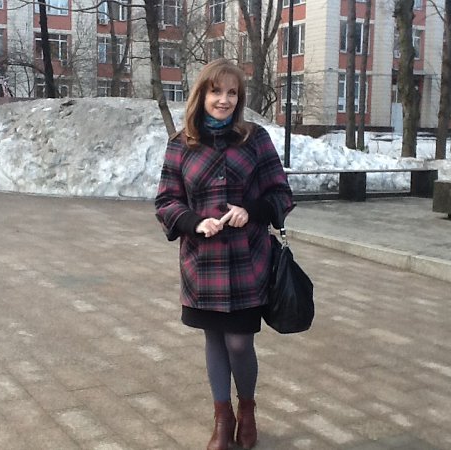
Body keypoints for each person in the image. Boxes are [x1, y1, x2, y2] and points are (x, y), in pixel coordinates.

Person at [155, 58, 294, 450]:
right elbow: (166, 201)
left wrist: (252, 210)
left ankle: (247, 409)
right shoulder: (181, 144)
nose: (224, 100)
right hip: (202, 264)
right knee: (214, 340)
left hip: (248, 262)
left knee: (239, 343)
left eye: (232, 93)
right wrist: (194, 222)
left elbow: (281, 193)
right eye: (216, 91)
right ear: (202, 94)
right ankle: (222, 419)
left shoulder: (255, 139)